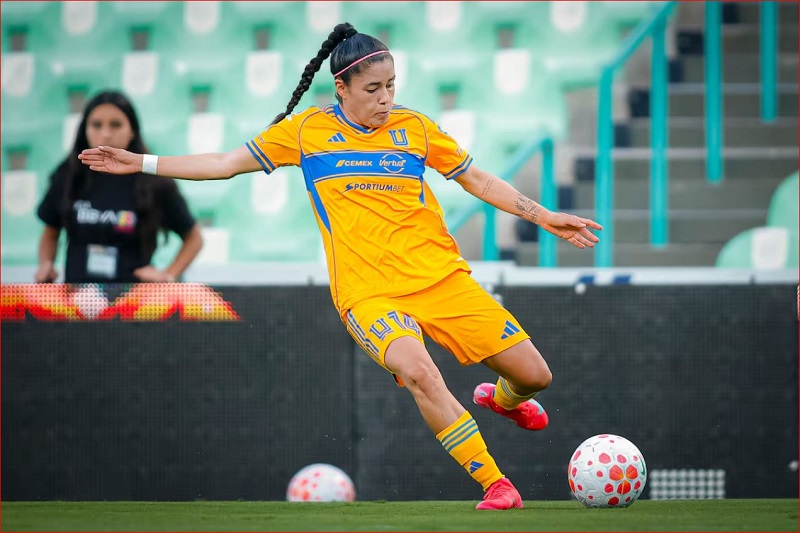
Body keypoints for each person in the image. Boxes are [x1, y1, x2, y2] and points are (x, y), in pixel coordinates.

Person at [78, 23, 602, 510]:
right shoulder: (306, 132)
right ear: (342, 89)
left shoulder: (415, 129)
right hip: (368, 294)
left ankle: (505, 400)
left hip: (442, 279)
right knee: (420, 371)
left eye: (392, 86)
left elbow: (479, 181)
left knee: (536, 375)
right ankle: (496, 483)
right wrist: (139, 161)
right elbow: (222, 164)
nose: (385, 99)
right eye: (373, 89)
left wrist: (543, 215)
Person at [35, 90, 203, 284]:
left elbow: (194, 238)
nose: (105, 134)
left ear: (132, 130)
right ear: (84, 130)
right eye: (96, 125)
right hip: (77, 302)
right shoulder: (67, 176)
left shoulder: (155, 180)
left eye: (116, 125)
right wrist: (45, 264)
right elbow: (50, 232)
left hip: (134, 304)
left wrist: (169, 274)